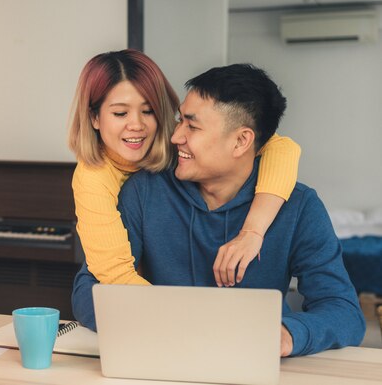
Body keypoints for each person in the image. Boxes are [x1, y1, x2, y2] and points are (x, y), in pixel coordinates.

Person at [72, 63, 366, 357]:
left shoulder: (300, 206)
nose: (175, 137)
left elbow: (344, 312)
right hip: (166, 355)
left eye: (192, 126)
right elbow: (89, 289)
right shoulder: (144, 191)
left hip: (255, 361)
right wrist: (170, 325)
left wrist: (288, 335)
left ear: (241, 141)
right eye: (180, 121)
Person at [68, 50, 300, 289]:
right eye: (120, 113)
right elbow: (114, 275)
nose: (136, 125)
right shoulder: (93, 178)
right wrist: (183, 319)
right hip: (145, 301)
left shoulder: (177, 141)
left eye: (148, 111)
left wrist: (252, 231)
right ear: (94, 117)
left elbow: (282, 148)